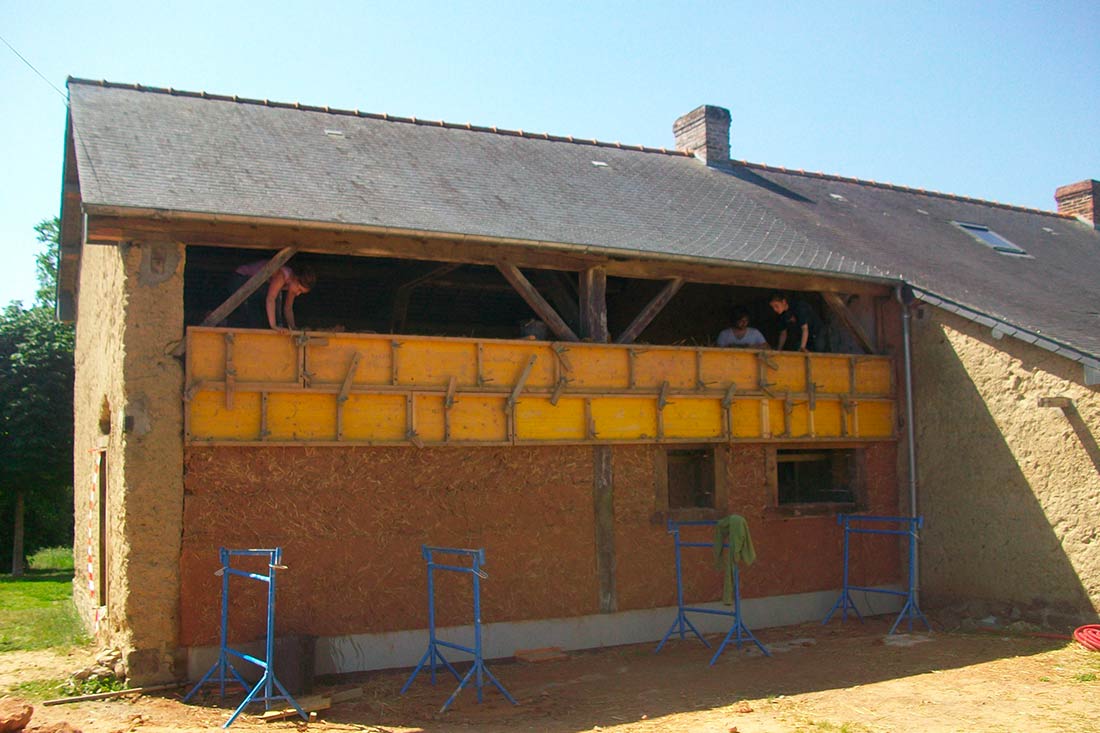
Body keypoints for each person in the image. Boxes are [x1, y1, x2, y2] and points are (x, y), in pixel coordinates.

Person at [228, 261, 316, 332]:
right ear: (296, 278)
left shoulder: (292, 285)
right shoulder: (282, 274)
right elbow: (271, 298)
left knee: (256, 320)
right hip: (241, 279)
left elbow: (288, 308)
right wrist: (274, 325)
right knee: (276, 296)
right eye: (299, 289)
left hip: (256, 290)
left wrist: (293, 328)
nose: (298, 293)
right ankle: (276, 325)